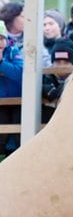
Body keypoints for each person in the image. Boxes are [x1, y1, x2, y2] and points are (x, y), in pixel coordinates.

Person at [0, 0, 51, 67]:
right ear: (11, 16)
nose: (27, 20)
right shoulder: (4, 39)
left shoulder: (33, 39)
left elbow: (45, 61)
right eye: (23, 16)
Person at [0, 20, 23, 157]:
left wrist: (1, 63)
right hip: (1, 103)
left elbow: (19, 72)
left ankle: (14, 156)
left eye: (1, 38)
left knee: (16, 132)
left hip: (17, 101)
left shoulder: (13, 52)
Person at [42, 38, 73, 123]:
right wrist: (43, 89)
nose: (61, 66)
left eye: (66, 62)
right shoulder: (45, 77)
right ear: (52, 62)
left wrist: (62, 90)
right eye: (58, 62)